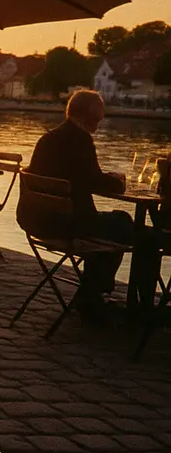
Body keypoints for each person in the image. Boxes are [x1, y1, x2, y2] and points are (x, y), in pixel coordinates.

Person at [19, 89, 157, 312]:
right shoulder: (80, 141)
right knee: (137, 232)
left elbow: (84, 176)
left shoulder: (48, 139)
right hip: (68, 225)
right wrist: (118, 180)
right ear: (87, 116)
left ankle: (91, 294)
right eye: (98, 119)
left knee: (117, 226)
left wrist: (101, 178)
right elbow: (96, 181)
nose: (99, 125)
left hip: (38, 221)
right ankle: (136, 305)